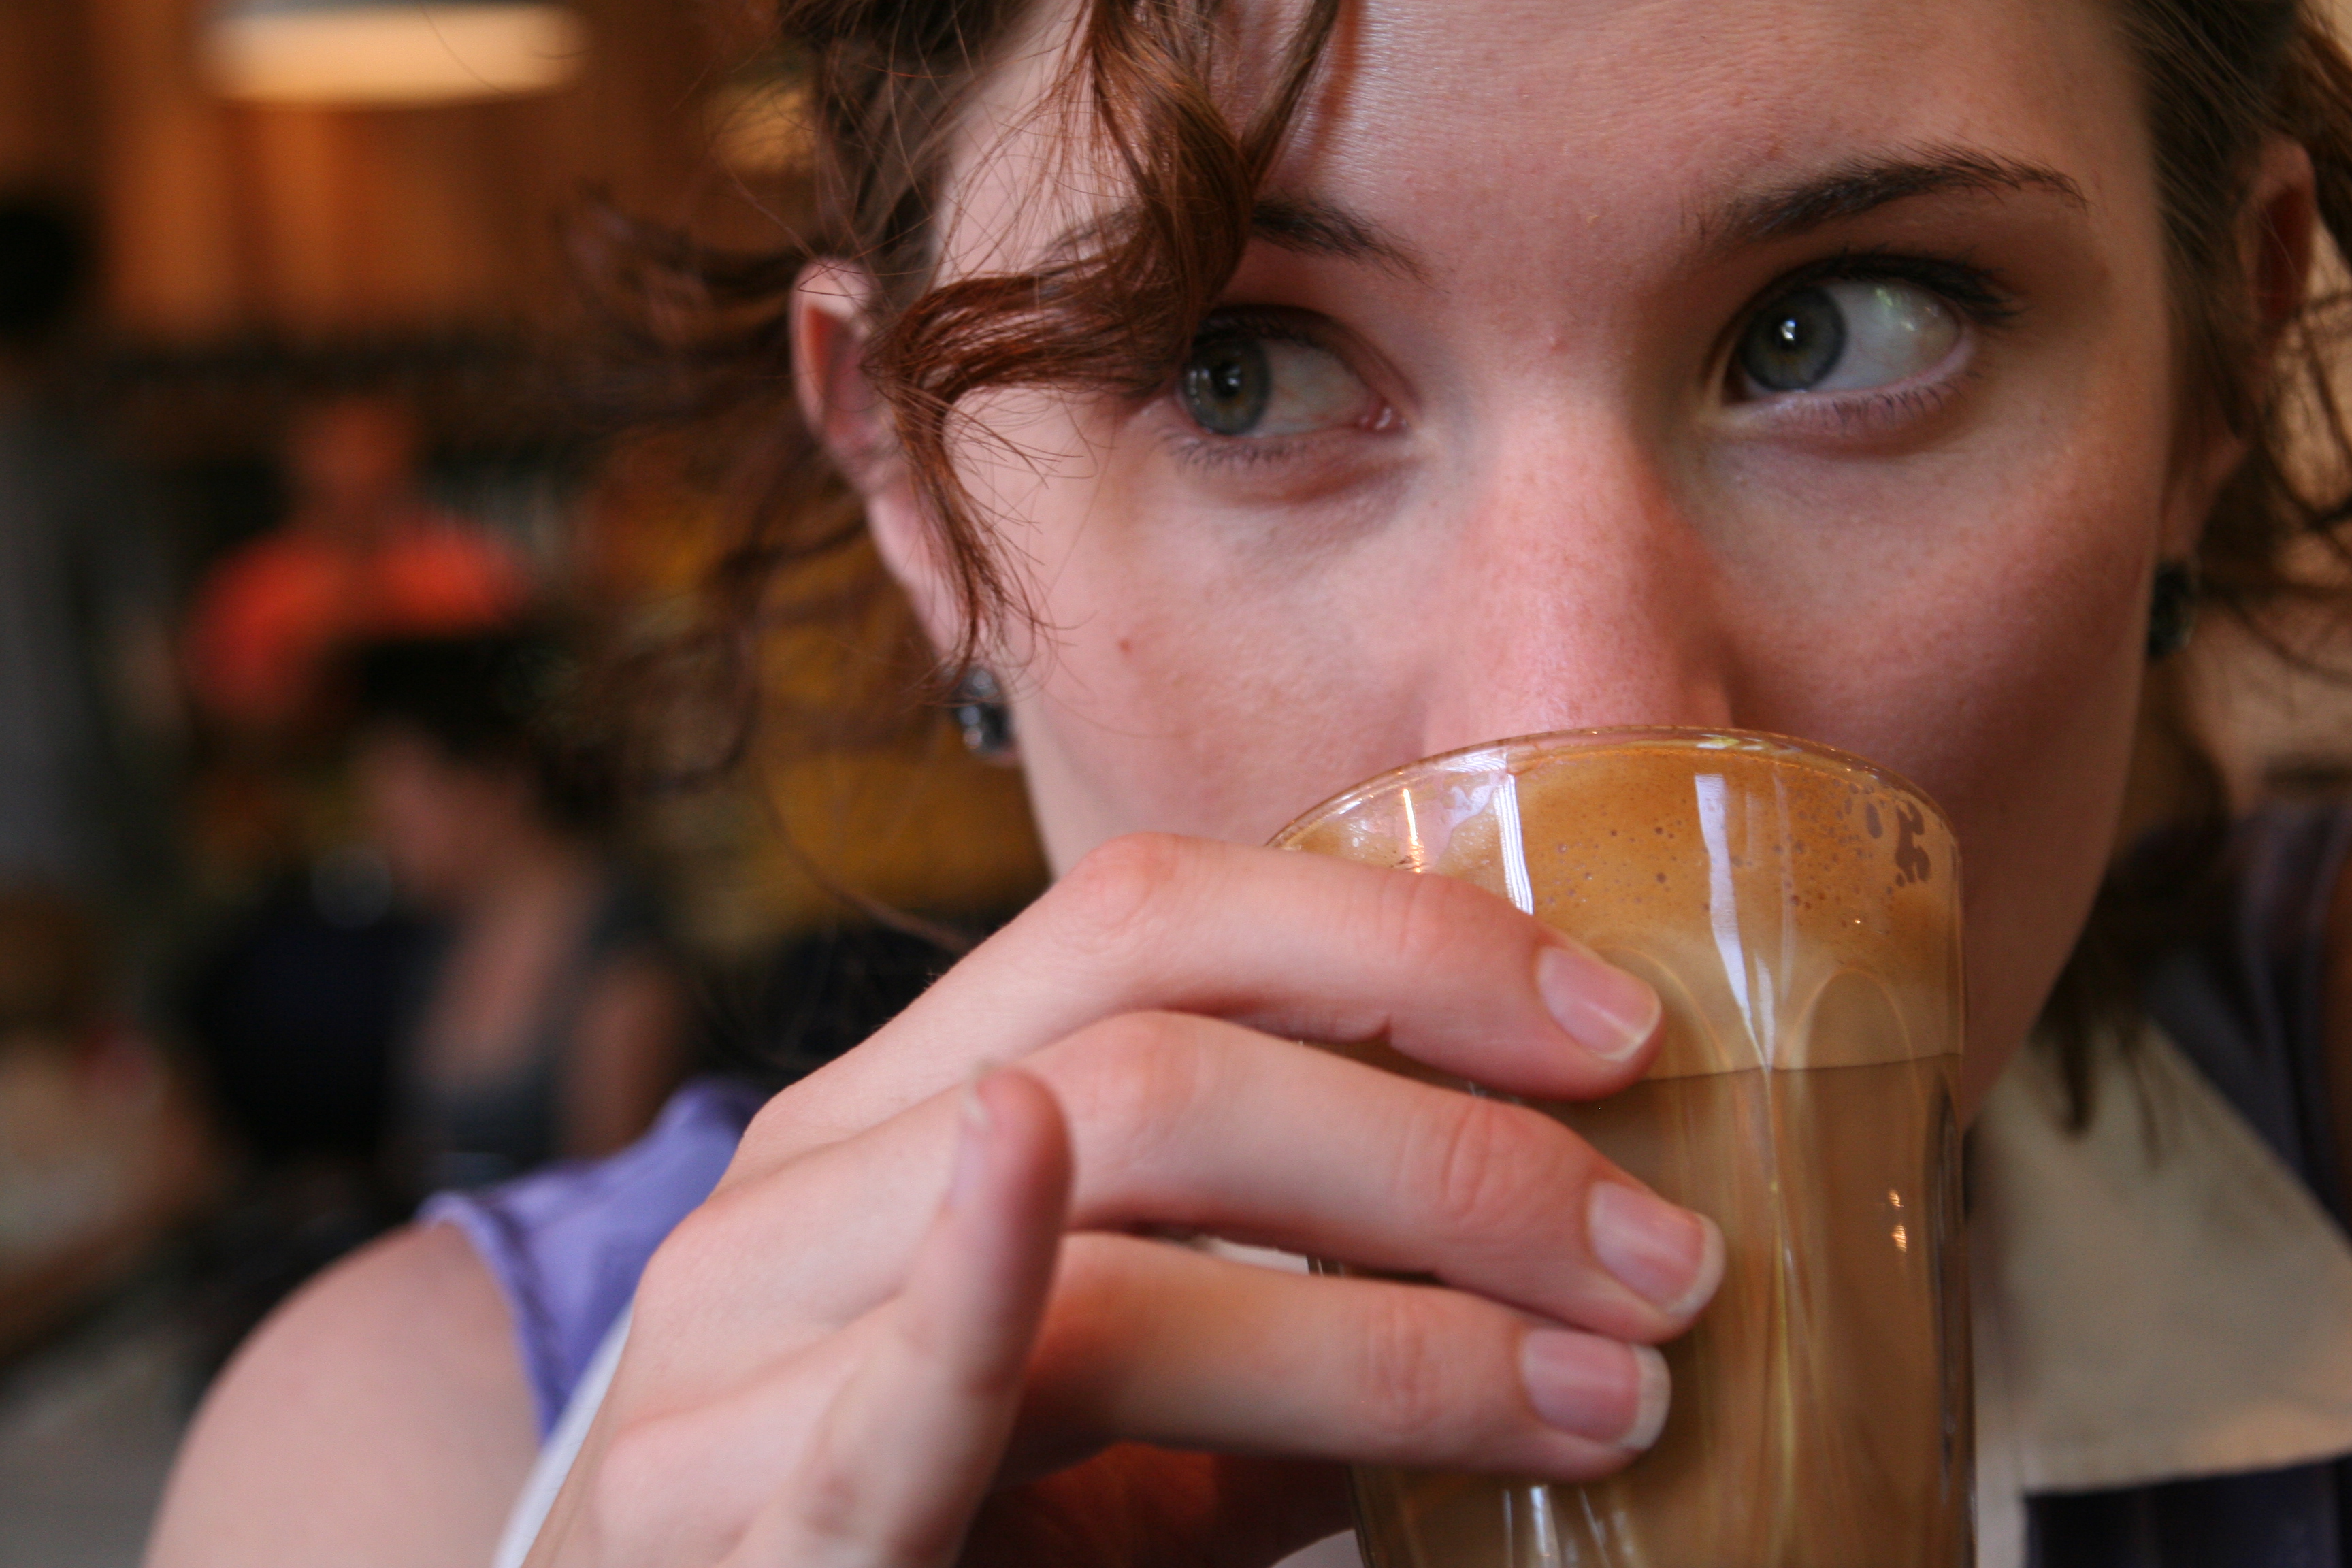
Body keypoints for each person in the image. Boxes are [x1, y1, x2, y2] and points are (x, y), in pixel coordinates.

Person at [144, 1, 2352, 1566]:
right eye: (1240, 368)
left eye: (1841, 322)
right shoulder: (432, 1465)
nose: (1577, 721)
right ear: (911, 487)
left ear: (2214, 381)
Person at [346, 633, 691, 1191]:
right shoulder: (439, 947)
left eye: (403, 817)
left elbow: (619, 1200)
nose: (382, 839)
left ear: (502, 782)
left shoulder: (624, 956)